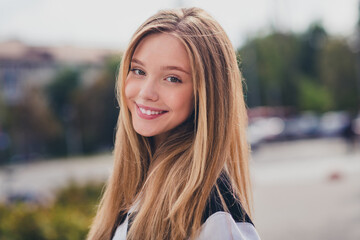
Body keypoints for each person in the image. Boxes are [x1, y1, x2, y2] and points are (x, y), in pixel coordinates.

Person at [87, 7, 261, 240]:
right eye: (138, 71)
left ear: (206, 94)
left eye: (172, 78)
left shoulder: (212, 218)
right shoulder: (136, 186)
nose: (146, 93)